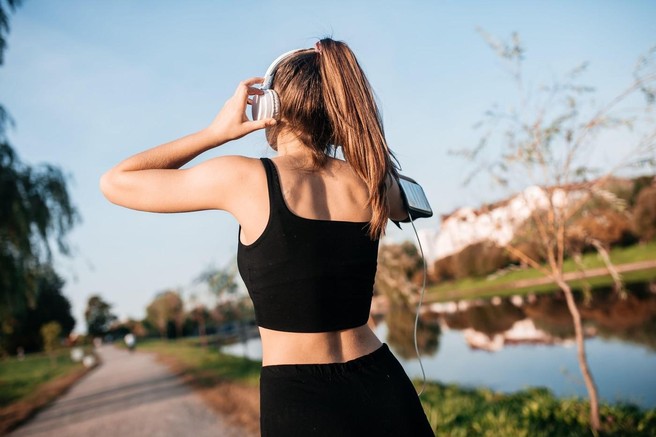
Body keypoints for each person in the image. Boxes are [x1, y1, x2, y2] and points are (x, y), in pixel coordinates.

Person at [101, 37, 434, 436]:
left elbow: (117, 182)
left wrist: (215, 132)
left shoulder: (244, 179)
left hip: (302, 400)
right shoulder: (373, 182)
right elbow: (413, 200)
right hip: (384, 386)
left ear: (269, 108)